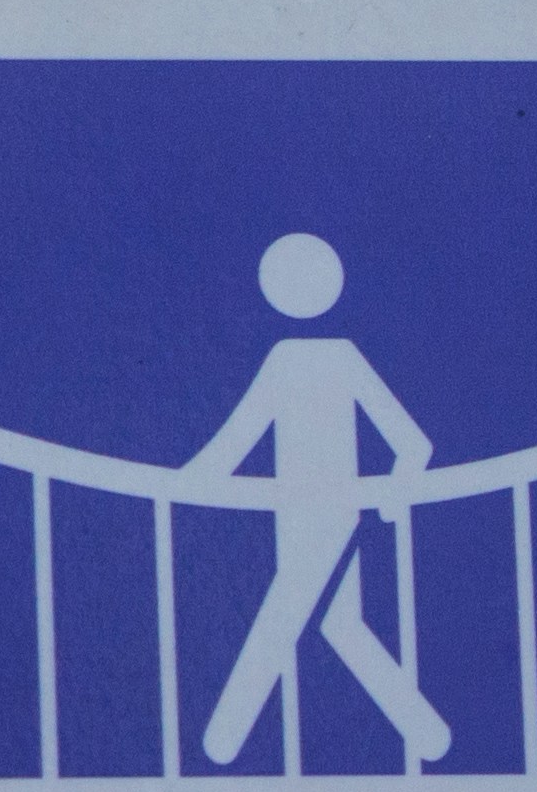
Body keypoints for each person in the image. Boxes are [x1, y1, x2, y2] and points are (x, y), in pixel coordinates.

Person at [175, 231, 456, 764]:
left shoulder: (323, 360)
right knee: (339, 625)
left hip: (336, 521)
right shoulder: (304, 360)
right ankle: (426, 732)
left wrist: (396, 493)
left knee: (284, 617)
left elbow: (412, 444)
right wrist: (186, 484)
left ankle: (221, 743)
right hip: (300, 517)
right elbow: (235, 443)